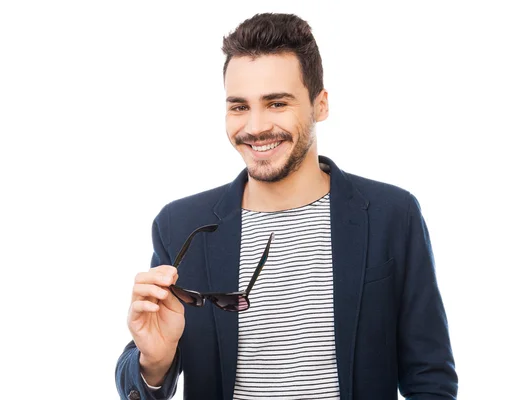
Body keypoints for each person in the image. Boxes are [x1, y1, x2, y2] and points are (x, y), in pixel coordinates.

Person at [115, 12, 458, 400]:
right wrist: (156, 361)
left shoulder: (392, 215)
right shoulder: (180, 224)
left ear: (320, 105)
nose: (256, 126)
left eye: (277, 103)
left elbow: (431, 376)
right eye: (239, 106)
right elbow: (140, 367)